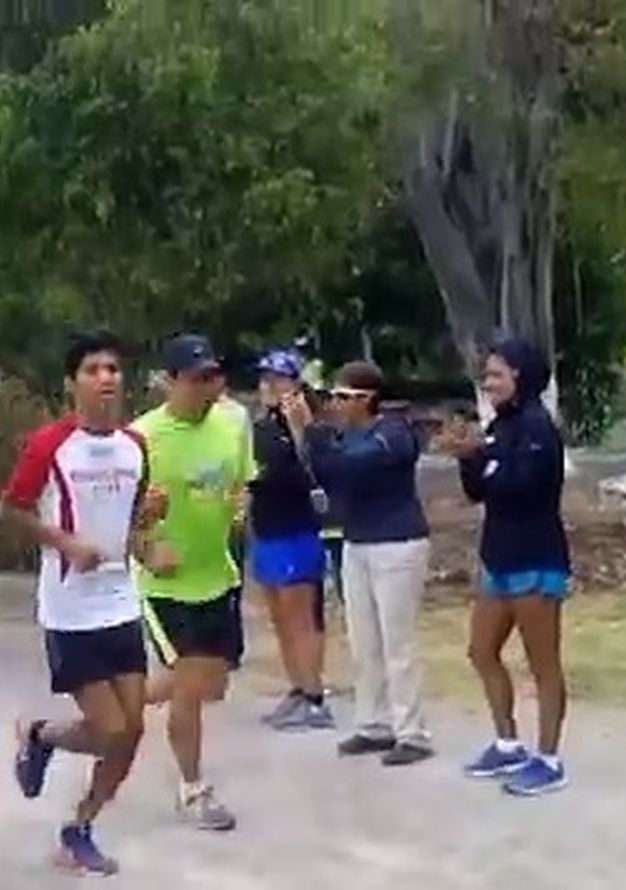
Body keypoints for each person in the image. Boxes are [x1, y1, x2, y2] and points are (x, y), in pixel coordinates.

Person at [3, 331, 150, 876]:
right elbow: (11, 509)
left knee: (131, 731)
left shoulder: (137, 445)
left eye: (113, 368)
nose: (106, 377)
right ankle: (41, 735)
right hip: (69, 609)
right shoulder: (49, 444)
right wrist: (65, 543)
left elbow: (131, 521)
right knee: (110, 729)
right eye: (93, 369)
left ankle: (79, 827)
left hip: (121, 601)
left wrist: (148, 540)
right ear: (72, 383)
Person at [434, 338, 571, 796]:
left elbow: (520, 488)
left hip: (536, 560)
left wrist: (482, 458)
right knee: (481, 651)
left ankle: (549, 760)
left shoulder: (538, 428)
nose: (487, 382)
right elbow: (480, 491)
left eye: (496, 374)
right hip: (499, 559)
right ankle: (507, 743)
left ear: (521, 376)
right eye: (487, 374)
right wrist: (469, 457)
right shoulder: (500, 426)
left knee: (543, 664)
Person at [134, 334, 249, 831]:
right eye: (198, 379)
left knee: (209, 683)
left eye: (214, 376)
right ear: (170, 381)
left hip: (217, 572)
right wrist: (143, 538)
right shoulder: (141, 438)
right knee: (191, 685)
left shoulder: (234, 421)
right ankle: (193, 789)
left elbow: (244, 482)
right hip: (166, 585)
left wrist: (244, 507)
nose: (209, 387)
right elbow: (115, 518)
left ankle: (116, 701)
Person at [311, 361, 434, 766]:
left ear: (366, 399)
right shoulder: (346, 436)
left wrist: (310, 433)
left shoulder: (394, 433)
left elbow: (345, 468)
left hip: (397, 543)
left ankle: (412, 732)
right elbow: (325, 471)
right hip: (358, 541)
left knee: (397, 641)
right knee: (364, 640)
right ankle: (374, 723)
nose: (336, 404)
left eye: (343, 397)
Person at [248, 350, 335, 732]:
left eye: (278, 378)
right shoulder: (262, 426)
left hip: (297, 529)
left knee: (302, 615)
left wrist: (302, 431)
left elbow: (319, 474)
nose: (269, 385)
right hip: (266, 528)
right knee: (280, 616)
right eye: (265, 377)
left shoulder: (307, 426)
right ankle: (297, 687)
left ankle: (315, 696)